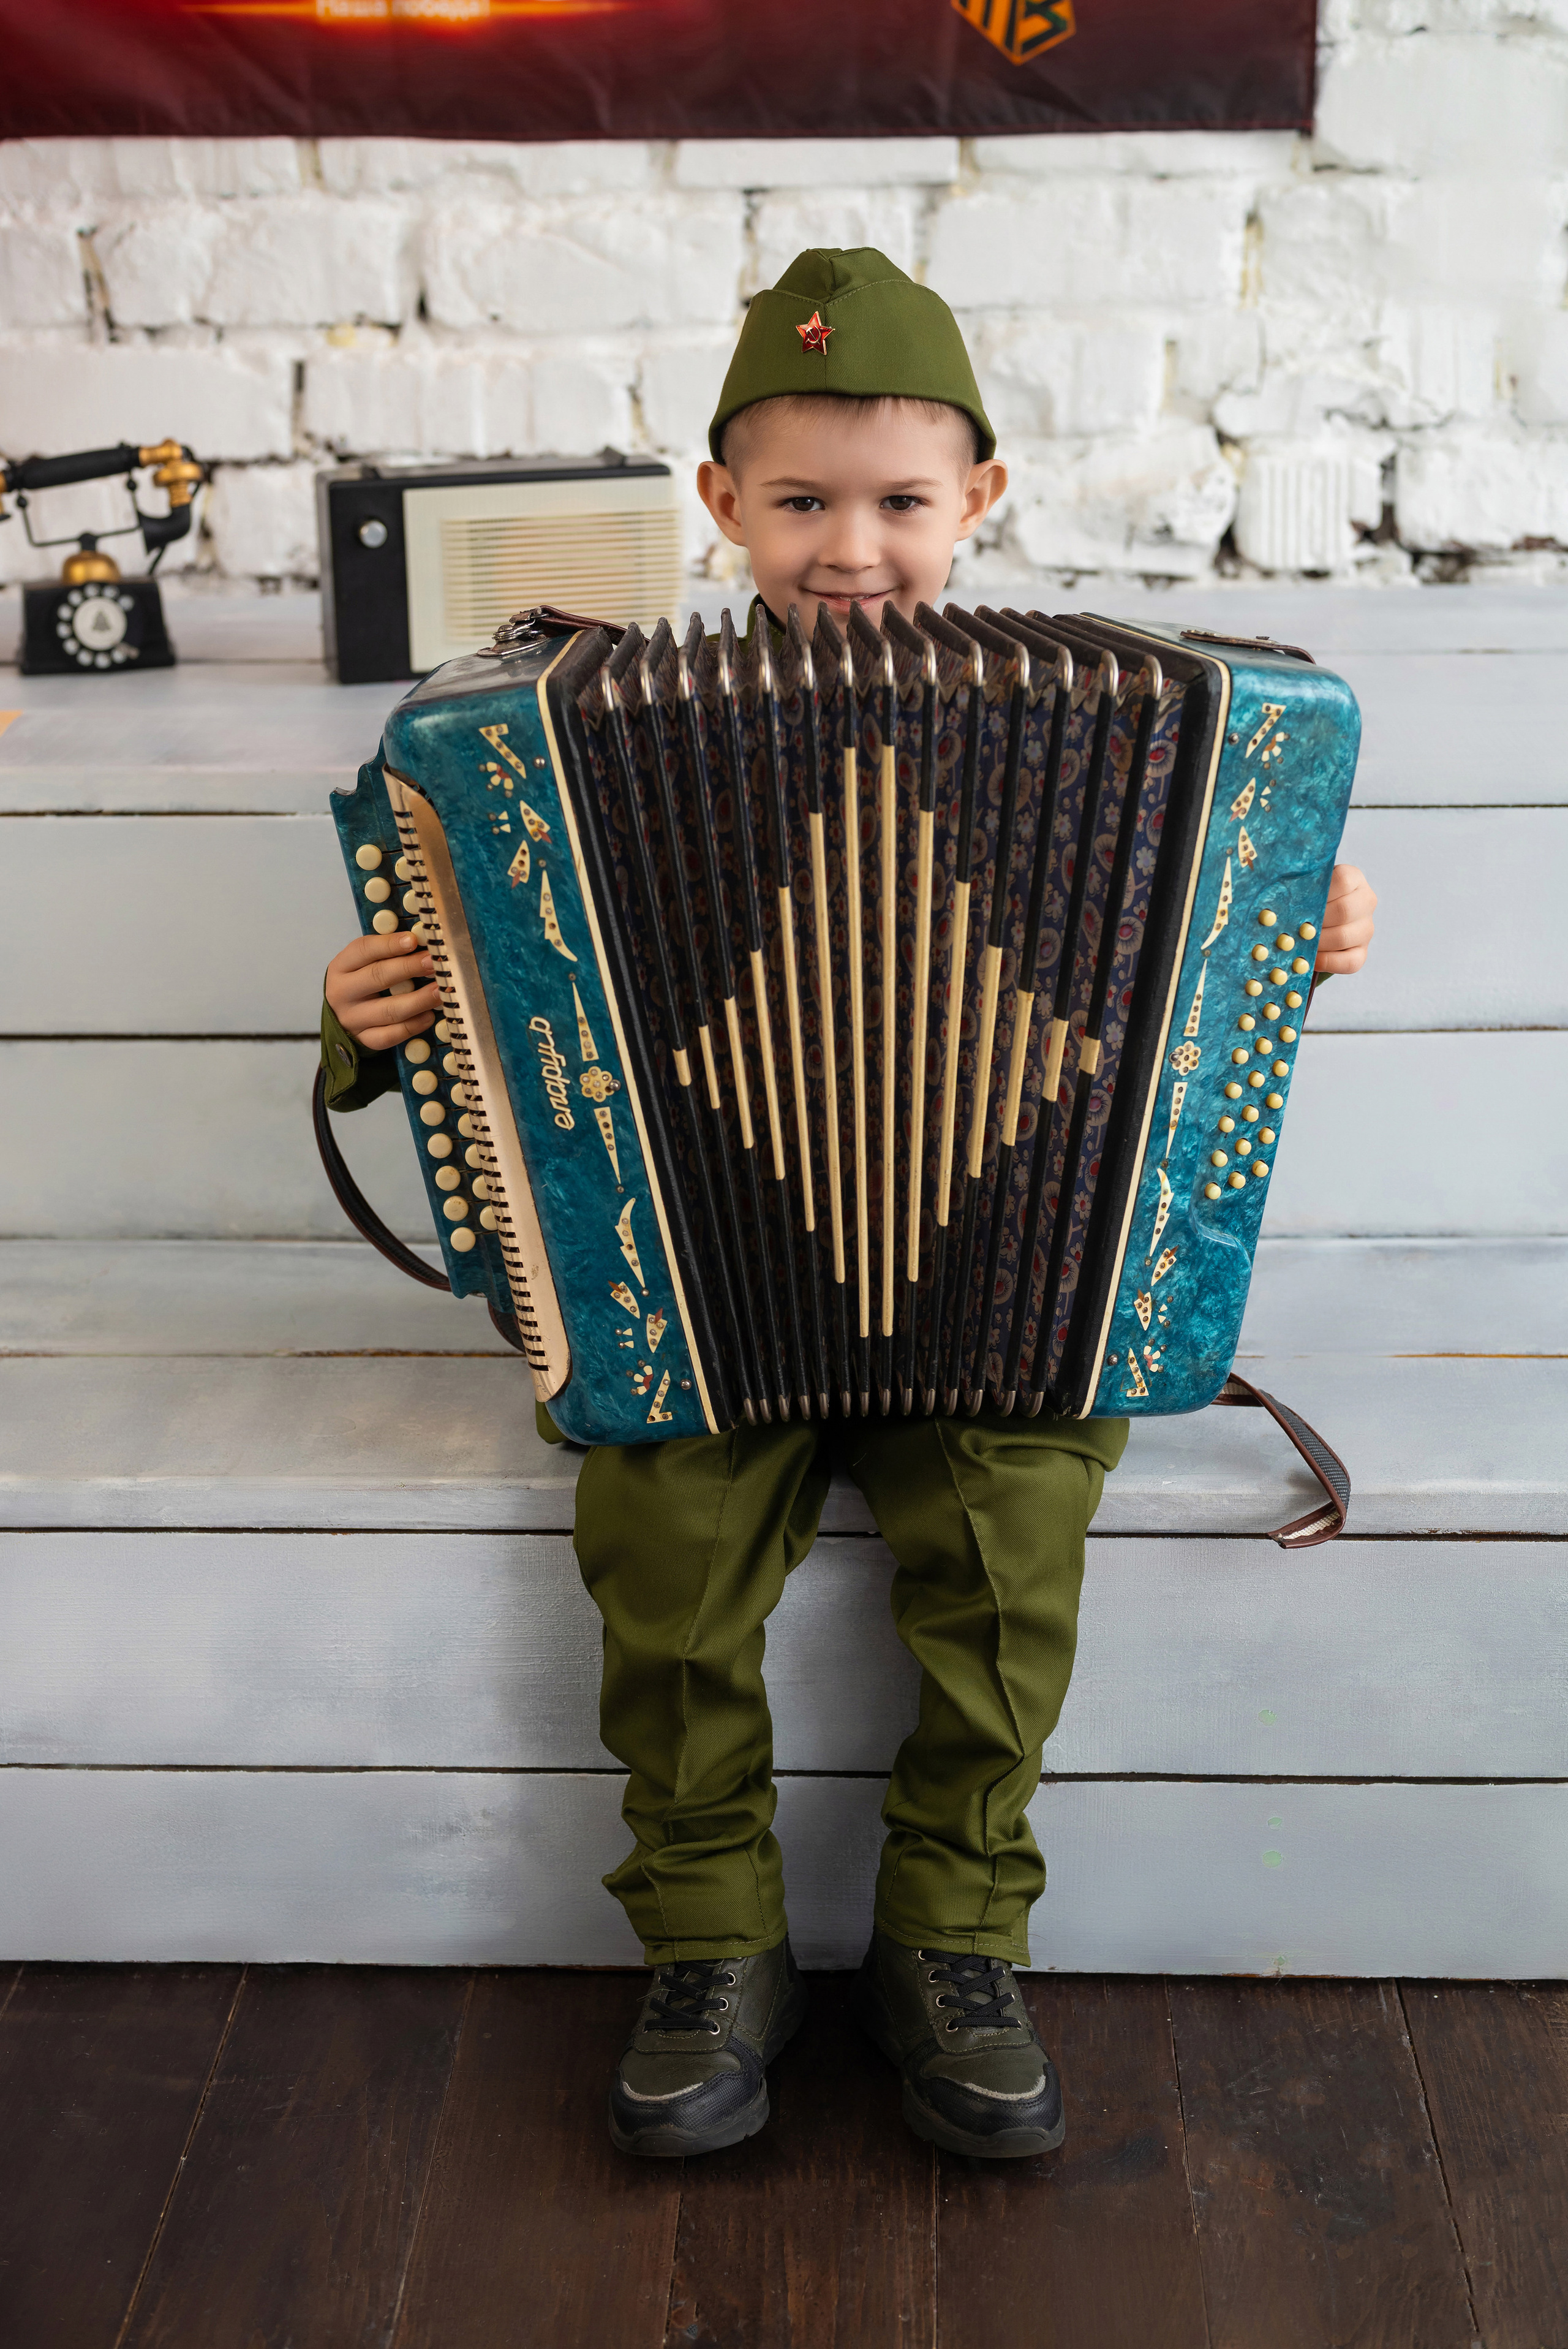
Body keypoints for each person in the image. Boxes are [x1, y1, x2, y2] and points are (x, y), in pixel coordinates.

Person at [320, 249, 1379, 2163]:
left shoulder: (1126, 723)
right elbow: (477, 977)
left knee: (1016, 1549)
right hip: (701, 1287)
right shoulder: (554, 730)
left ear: (982, 498)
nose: (854, 547)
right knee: (661, 1541)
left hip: (1013, 1282)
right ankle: (712, 1941)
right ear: (720, 503)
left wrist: (1297, 920)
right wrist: (380, 1007)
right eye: (801, 500)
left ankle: (953, 1932)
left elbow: (1189, 970)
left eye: (901, 500)